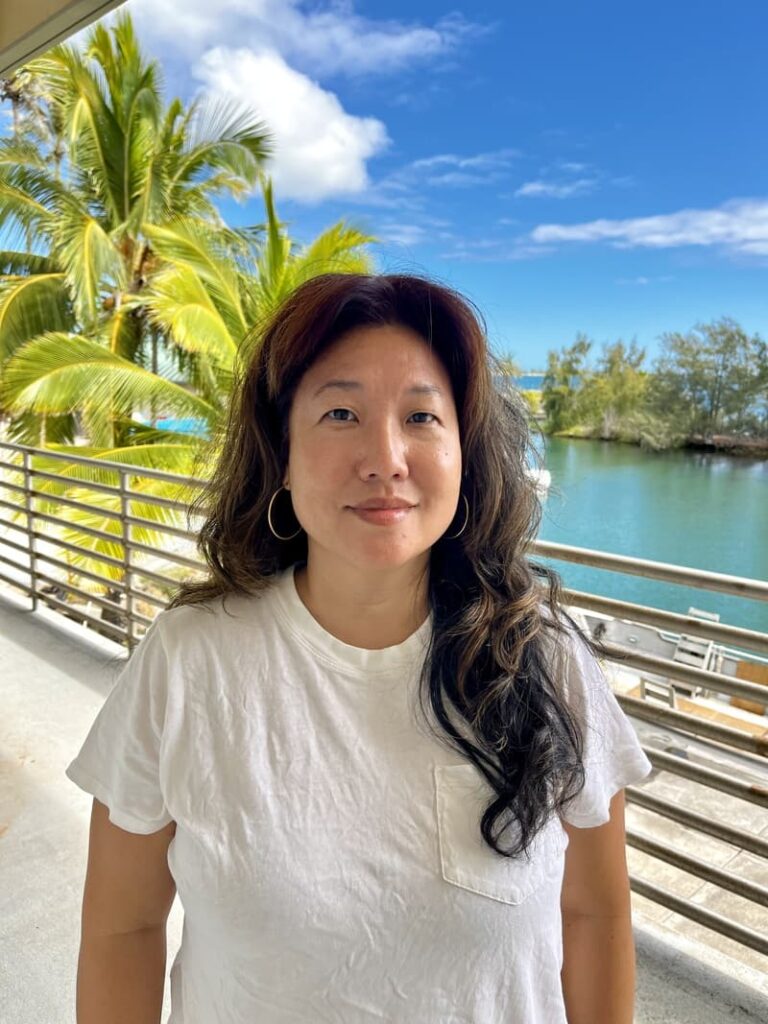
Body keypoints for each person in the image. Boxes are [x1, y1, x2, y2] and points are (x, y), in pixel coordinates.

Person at [66, 272, 653, 1024]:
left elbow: (596, 915)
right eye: (341, 412)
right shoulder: (191, 661)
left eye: (421, 416)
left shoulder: (544, 659)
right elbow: (123, 927)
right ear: (282, 450)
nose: (385, 458)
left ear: (464, 451)